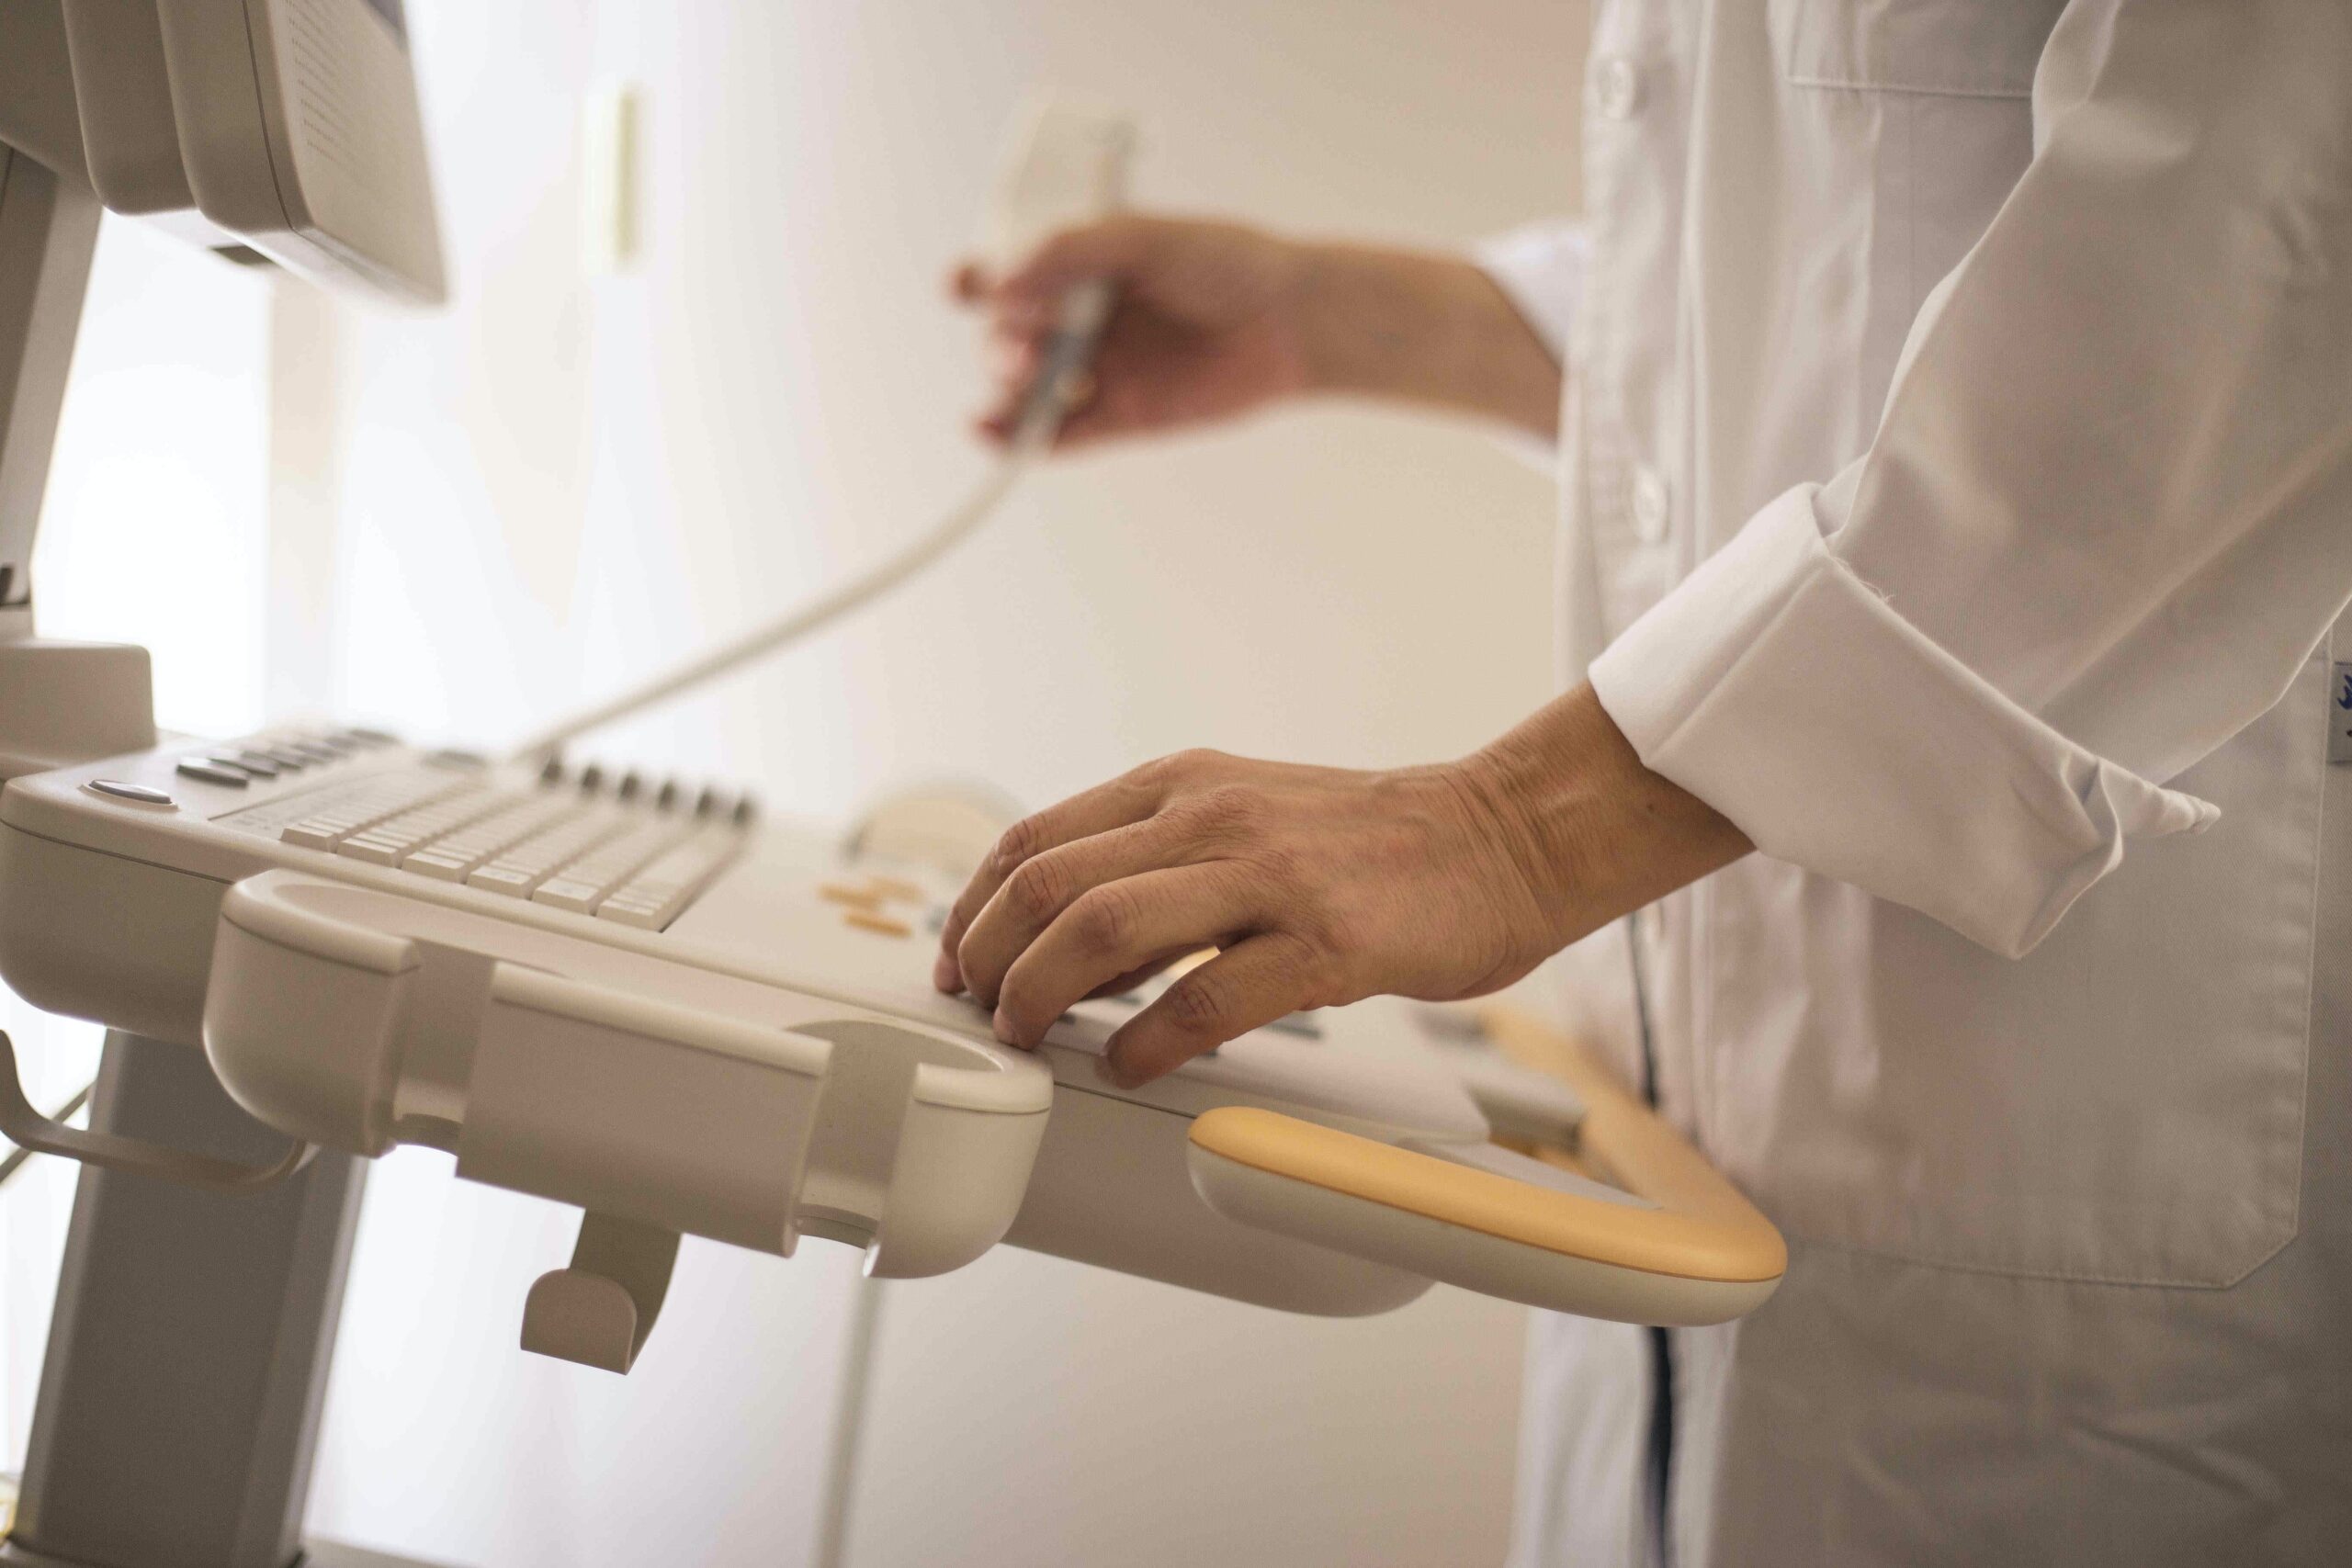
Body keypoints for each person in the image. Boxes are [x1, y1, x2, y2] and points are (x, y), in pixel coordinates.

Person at [942, 5, 2352, 1564]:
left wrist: (1507, 831)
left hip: (2092, 1189)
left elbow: (2257, 276)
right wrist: (1337, 317)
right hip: (1705, 1126)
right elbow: (1811, 285)